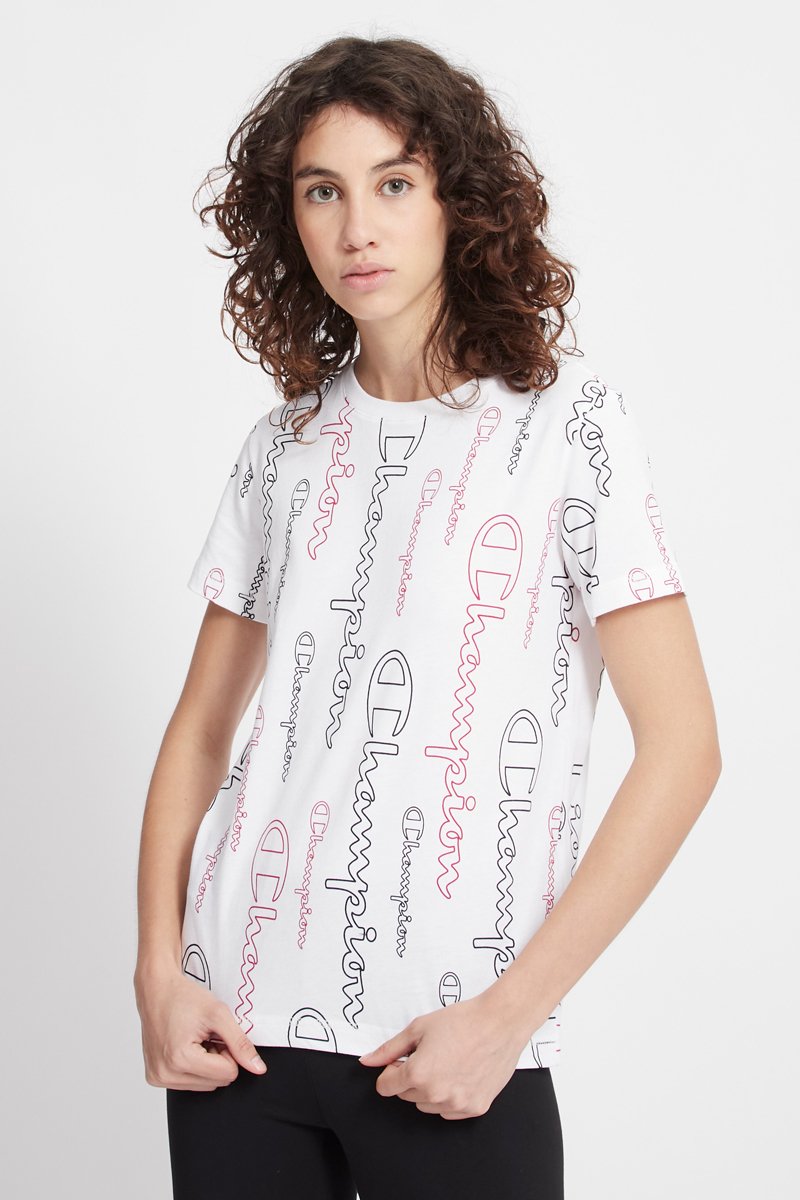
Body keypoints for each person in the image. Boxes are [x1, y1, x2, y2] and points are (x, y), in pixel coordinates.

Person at [133, 34, 722, 1200]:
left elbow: (684, 749)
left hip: (449, 1046)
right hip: (238, 1033)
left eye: (393, 184)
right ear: (290, 221)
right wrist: (158, 971)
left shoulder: (569, 428)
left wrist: (509, 1015)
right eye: (322, 191)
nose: (357, 227)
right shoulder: (283, 448)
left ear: (459, 202)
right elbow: (199, 731)